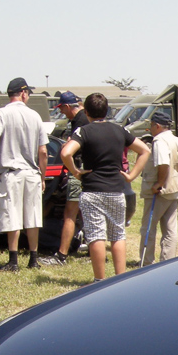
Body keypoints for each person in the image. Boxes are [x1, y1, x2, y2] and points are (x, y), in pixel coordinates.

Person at [60, 93, 150, 282]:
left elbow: (66, 152)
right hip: (116, 190)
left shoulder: (83, 131)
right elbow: (145, 150)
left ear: (86, 111)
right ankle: (120, 278)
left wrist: (76, 171)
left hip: (92, 189)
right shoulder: (119, 130)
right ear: (106, 110)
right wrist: (132, 175)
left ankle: (99, 280)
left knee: (96, 235)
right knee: (117, 234)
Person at [0, 77, 48, 271]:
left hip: (11, 172)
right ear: (23, 93)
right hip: (32, 173)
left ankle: (13, 260)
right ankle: (33, 259)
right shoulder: (35, 116)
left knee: (12, 215)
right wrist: (43, 176)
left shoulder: (2, 114)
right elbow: (43, 151)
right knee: (33, 216)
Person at [139, 111, 178, 265]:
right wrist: (177, 168)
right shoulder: (176, 139)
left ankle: (147, 262)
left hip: (160, 191)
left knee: (148, 228)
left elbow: (163, 163)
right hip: (176, 188)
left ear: (157, 126)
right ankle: (167, 262)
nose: (150, 129)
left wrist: (159, 183)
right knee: (170, 229)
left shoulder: (159, 141)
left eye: (151, 125)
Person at [39, 91, 88, 266]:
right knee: (87, 213)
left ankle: (61, 255)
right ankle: (91, 249)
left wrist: (73, 169)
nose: (62, 113)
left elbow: (70, 151)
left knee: (70, 213)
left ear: (67, 106)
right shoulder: (83, 119)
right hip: (89, 172)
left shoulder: (80, 122)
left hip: (79, 171)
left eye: (62, 109)